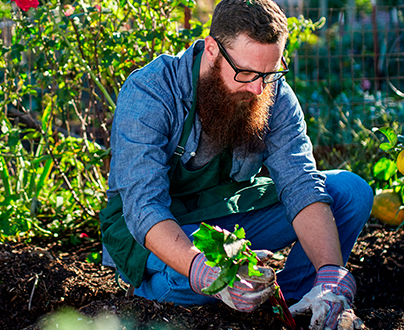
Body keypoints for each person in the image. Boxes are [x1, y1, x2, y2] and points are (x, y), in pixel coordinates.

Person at [98, 0, 373, 329]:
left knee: (350, 191)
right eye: (246, 73)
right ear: (212, 49)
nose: (258, 88)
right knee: (208, 278)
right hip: (162, 228)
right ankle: (157, 292)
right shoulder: (152, 91)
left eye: (269, 74)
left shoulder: (270, 92)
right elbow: (144, 206)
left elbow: (300, 182)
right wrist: (204, 270)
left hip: (228, 214)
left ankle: (300, 300)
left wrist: (331, 272)